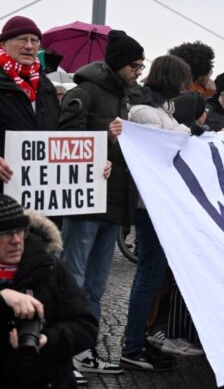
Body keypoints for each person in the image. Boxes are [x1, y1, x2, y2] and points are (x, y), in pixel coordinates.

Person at [58, 29, 145, 374]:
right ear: (121, 63)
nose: (140, 71)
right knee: (73, 277)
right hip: (85, 203)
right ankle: (65, 352)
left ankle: (85, 349)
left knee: (96, 283)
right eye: (136, 64)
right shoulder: (86, 92)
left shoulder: (127, 96)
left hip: (113, 204)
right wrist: (102, 139)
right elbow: (62, 140)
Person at [120, 55, 193, 371]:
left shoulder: (161, 111)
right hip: (149, 206)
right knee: (149, 274)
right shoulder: (146, 114)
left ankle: (141, 341)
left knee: (153, 274)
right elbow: (166, 149)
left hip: (160, 205)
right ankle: (133, 345)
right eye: (182, 80)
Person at [0, 194, 98, 388]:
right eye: (7, 233)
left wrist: (48, 339)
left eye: (21, 230)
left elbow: (86, 327)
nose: (17, 240)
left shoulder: (49, 267)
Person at [0, 16, 60, 193]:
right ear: (3, 44)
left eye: (35, 40)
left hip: (39, 193)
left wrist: (93, 161)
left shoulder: (46, 85)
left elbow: (61, 131)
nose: (29, 46)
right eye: (22, 39)